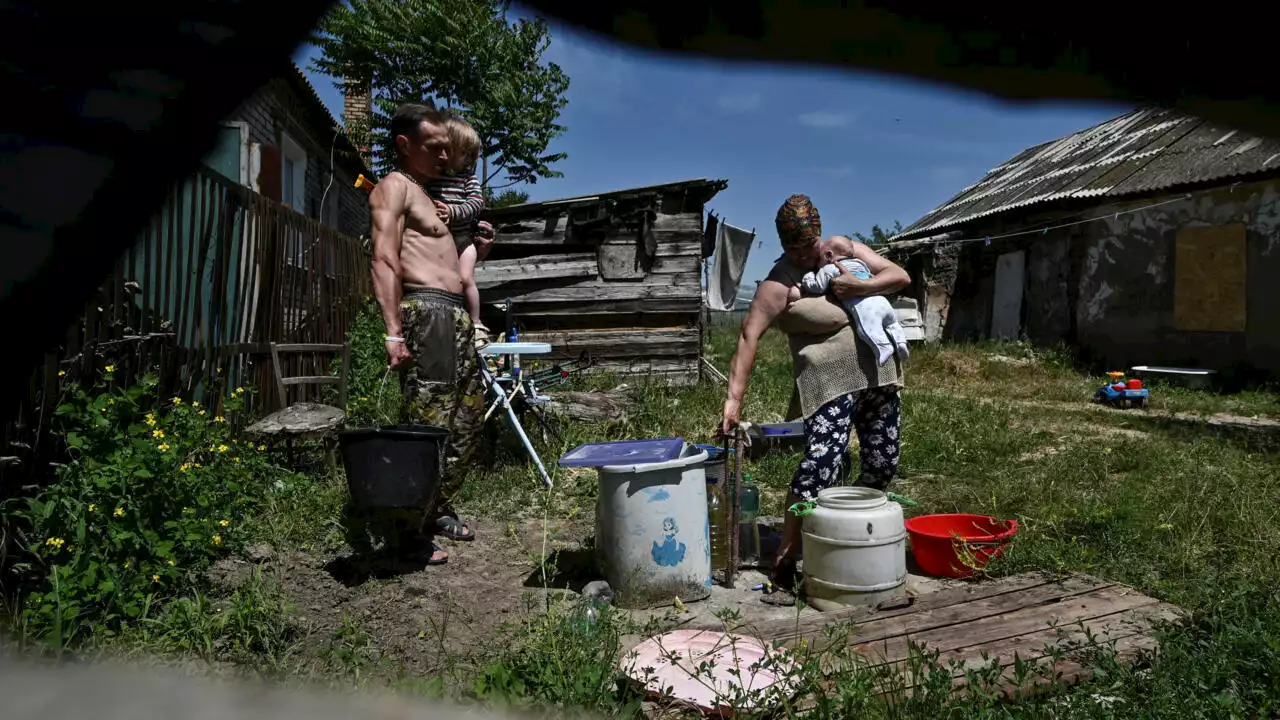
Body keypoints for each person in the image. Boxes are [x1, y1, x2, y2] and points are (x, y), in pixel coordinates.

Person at [720, 194, 910, 604]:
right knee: (819, 467)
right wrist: (734, 401)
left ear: (819, 234)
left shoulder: (843, 250)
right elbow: (748, 335)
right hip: (828, 384)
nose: (805, 254)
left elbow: (899, 276)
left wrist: (859, 284)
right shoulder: (779, 282)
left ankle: (846, 538)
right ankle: (786, 564)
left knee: (883, 463)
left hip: (879, 377)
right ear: (784, 245)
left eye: (809, 244)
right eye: (795, 247)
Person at [368, 103, 484, 565]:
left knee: (467, 423)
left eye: (446, 147)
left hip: (455, 315)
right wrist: (393, 332)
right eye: (434, 147)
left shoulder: (425, 192)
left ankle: (433, 509)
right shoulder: (394, 187)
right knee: (429, 425)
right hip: (428, 315)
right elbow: (384, 258)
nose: (444, 154)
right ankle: (406, 536)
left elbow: (447, 262)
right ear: (404, 145)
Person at [425, 113, 494, 345]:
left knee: (466, 278)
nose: (468, 159)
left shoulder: (468, 179)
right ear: (449, 149)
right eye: (465, 153)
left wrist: (453, 212)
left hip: (464, 239)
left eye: (472, 155)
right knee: (442, 283)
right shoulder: (432, 177)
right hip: (440, 242)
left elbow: (477, 203)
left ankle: (476, 323)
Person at [793, 256, 910, 365]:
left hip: (866, 307)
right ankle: (901, 343)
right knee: (892, 324)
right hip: (881, 301)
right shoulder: (860, 263)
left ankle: (883, 347)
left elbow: (818, 286)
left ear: (829, 255)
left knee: (867, 330)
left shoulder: (831, 267)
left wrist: (807, 278)